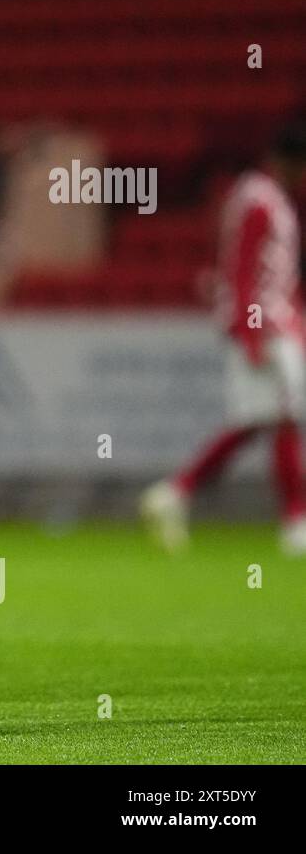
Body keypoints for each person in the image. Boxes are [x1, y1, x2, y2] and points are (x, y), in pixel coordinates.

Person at [142, 123, 306, 556]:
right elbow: (245, 268)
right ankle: (295, 523)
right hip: (265, 324)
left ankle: (175, 492)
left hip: (270, 322)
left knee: (257, 420)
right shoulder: (262, 201)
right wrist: (253, 331)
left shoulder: (260, 198)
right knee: (284, 417)